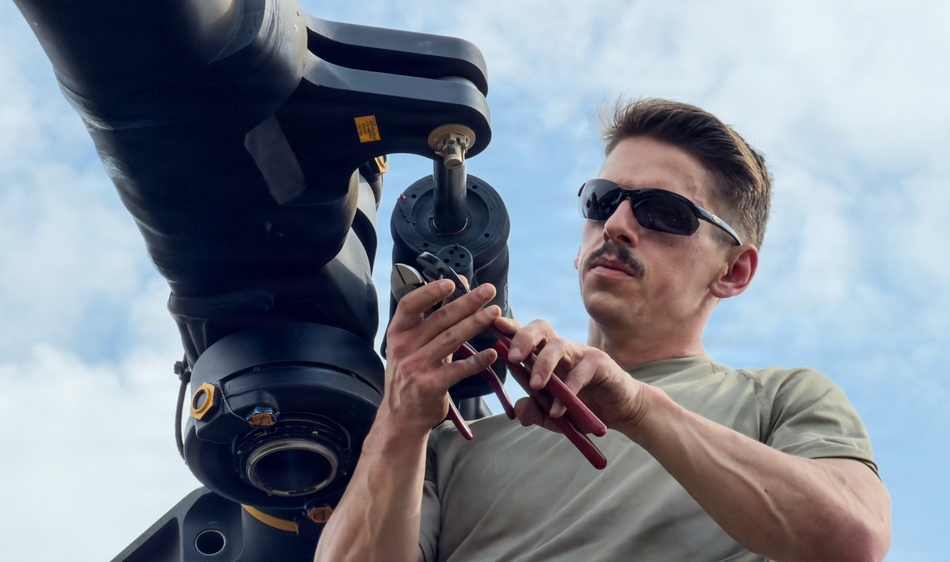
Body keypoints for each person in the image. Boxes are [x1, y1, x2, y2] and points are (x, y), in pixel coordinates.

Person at [314, 98, 892, 561]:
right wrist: (400, 418)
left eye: (663, 211)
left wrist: (639, 408)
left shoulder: (779, 400)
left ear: (733, 271)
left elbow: (852, 540)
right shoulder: (447, 445)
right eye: (602, 201)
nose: (616, 224)